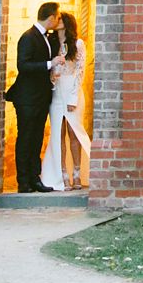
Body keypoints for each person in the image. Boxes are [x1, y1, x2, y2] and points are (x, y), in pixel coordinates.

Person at [4, 1, 61, 193]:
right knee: (26, 138)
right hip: (27, 98)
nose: (58, 20)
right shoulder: (28, 37)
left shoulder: (47, 38)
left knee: (37, 138)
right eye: (58, 17)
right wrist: (49, 64)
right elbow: (23, 66)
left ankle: (35, 179)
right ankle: (23, 182)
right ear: (51, 18)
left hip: (42, 97)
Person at [40, 10, 91, 191]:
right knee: (58, 132)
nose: (56, 21)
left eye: (60, 19)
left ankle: (77, 173)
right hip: (56, 91)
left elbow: (80, 71)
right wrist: (52, 78)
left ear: (67, 23)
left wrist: (73, 96)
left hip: (71, 90)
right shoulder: (52, 43)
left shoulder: (78, 44)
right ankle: (62, 175)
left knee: (73, 131)